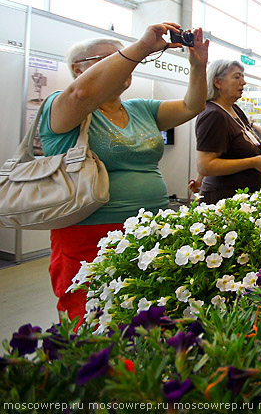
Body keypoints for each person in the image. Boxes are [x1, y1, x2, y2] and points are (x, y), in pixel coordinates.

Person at [39, 23, 209, 324]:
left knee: (145, 314)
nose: (124, 62)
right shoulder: (63, 104)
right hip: (87, 235)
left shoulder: (140, 108)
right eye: (111, 58)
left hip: (147, 231)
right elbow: (81, 94)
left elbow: (190, 105)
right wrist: (141, 47)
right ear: (79, 70)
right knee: (90, 317)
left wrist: (198, 67)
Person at [194, 60, 261, 203]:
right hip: (224, 201)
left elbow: (242, 143)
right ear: (218, 82)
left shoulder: (235, 110)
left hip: (245, 198)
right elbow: (205, 165)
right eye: (237, 77)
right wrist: (253, 162)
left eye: (242, 76)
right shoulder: (213, 115)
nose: (243, 82)